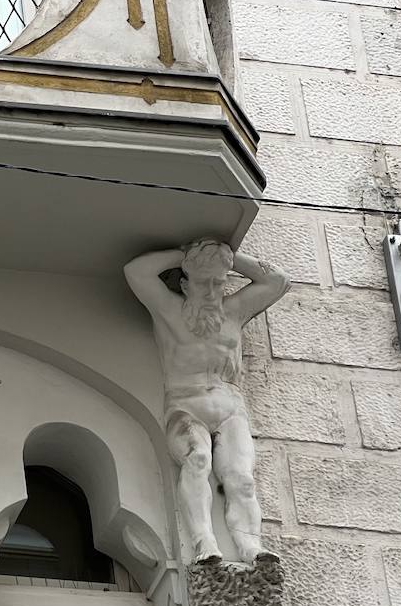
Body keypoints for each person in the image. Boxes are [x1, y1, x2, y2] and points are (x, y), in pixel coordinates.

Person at [124, 239, 290, 564]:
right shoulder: (169, 310)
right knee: (198, 459)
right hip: (186, 406)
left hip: (230, 409)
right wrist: (185, 254)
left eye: (219, 282)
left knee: (241, 479)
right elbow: (136, 272)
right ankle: (203, 541)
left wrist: (227, 258)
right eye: (203, 283)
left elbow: (279, 281)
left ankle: (250, 546)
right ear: (185, 284)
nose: (213, 291)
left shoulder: (233, 311)